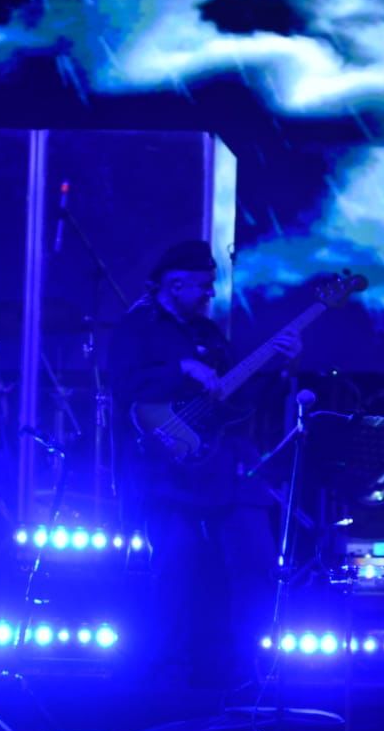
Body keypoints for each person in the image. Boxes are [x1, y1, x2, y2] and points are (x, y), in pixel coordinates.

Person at [107, 239, 300, 687]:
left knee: (254, 560)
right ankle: (166, 675)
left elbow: (238, 404)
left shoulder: (209, 335)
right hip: (161, 470)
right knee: (176, 562)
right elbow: (125, 388)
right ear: (175, 285)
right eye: (203, 286)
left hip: (215, 466)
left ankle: (246, 671)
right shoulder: (136, 328)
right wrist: (181, 368)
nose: (210, 294)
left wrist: (276, 367)